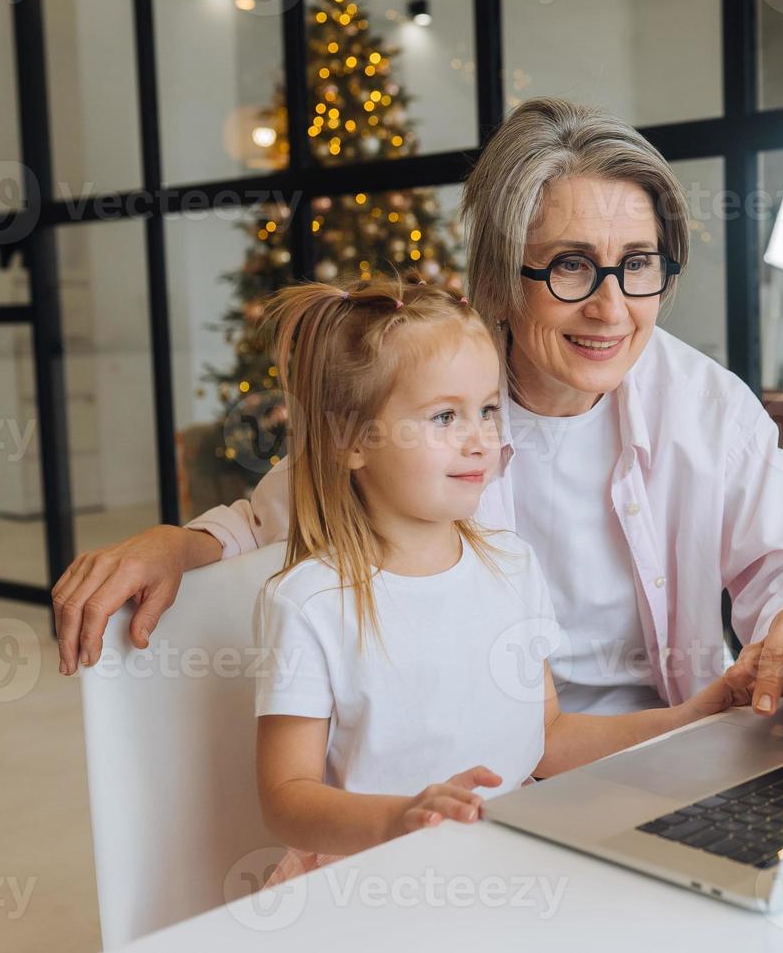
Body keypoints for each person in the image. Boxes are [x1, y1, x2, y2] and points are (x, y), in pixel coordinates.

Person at [54, 97, 783, 719]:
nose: (610, 308)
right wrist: (177, 544)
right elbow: (274, 517)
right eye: (568, 268)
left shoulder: (697, 400)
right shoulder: (437, 397)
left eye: (637, 265)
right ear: (496, 283)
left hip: (669, 747)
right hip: (489, 771)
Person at [249, 275, 743, 886]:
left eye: (487, 409)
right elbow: (286, 799)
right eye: (444, 416)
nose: (481, 436)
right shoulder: (309, 602)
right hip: (368, 882)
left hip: (501, 864)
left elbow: (547, 737)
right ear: (353, 440)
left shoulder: (511, 565)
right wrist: (400, 820)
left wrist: (691, 718)